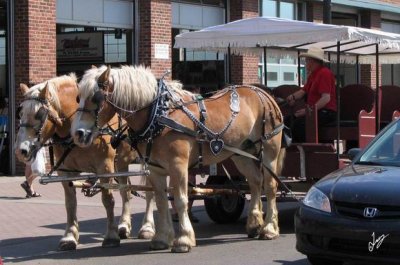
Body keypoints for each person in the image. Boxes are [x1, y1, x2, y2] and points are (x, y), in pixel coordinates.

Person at [285, 46, 337, 143]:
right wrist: (292, 97)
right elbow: (302, 92)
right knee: (287, 120)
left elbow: (326, 98)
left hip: (326, 112)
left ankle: (305, 150)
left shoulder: (324, 73)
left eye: (307, 61)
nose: (305, 63)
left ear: (313, 61)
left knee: (299, 125)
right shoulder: (313, 75)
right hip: (316, 111)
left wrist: (308, 111)